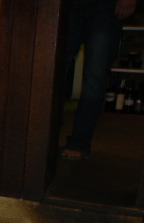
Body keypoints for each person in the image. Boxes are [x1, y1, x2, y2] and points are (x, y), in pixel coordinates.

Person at [60, 0, 138, 160]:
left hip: (104, 6)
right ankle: (41, 137)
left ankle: (79, 142)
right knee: (52, 71)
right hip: (66, 5)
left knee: (95, 77)